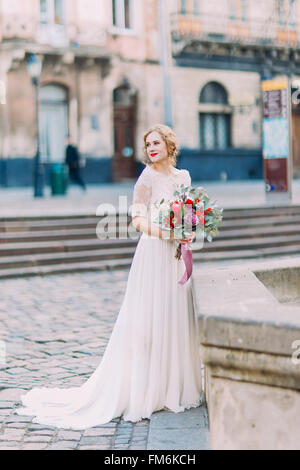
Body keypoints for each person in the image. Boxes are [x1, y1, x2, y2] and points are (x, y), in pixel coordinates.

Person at [14, 124, 203, 430]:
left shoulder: (184, 178)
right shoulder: (146, 178)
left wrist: (187, 231)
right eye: (147, 144)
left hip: (176, 258)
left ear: (170, 145)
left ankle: (175, 386)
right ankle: (147, 389)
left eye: (156, 142)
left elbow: (190, 212)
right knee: (147, 319)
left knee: (175, 316)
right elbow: (138, 219)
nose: (151, 148)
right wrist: (167, 232)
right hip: (153, 253)